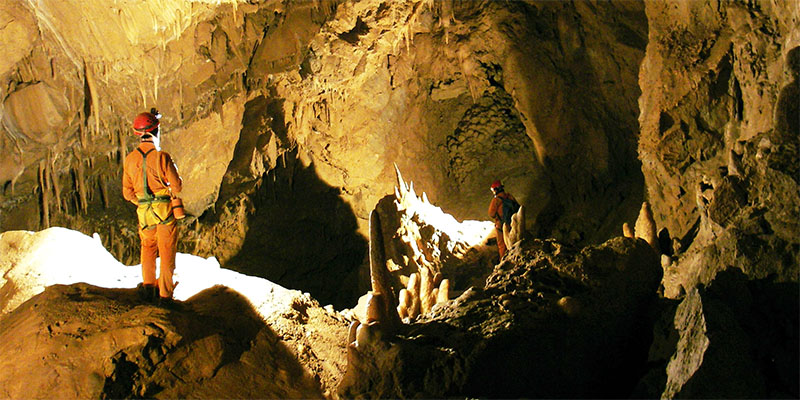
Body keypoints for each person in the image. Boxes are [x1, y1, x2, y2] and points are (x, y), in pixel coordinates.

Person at [122, 109, 183, 306]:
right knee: (166, 251)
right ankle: (165, 295)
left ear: (138, 134)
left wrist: (141, 201)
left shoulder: (130, 159)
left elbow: (127, 193)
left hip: (144, 211)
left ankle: (148, 287)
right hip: (163, 209)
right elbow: (177, 186)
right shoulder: (161, 156)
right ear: (156, 131)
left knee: (147, 247)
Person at [488, 179, 518, 258]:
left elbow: (491, 213)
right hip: (512, 223)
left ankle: (504, 261)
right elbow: (517, 207)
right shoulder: (509, 196)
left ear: (496, 190)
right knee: (515, 240)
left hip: (501, 225)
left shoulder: (496, 200)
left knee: (502, 245)